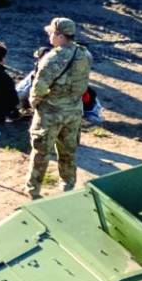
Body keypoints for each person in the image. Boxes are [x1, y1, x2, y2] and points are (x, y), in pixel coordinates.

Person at [24, 17, 92, 200]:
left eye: (51, 33)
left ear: (60, 35)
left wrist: (34, 102)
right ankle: (67, 187)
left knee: (41, 152)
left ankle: (33, 190)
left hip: (51, 113)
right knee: (68, 151)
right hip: (74, 111)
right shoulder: (85, 54)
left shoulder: (52, 58)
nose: (49, 36)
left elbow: (38, 88)